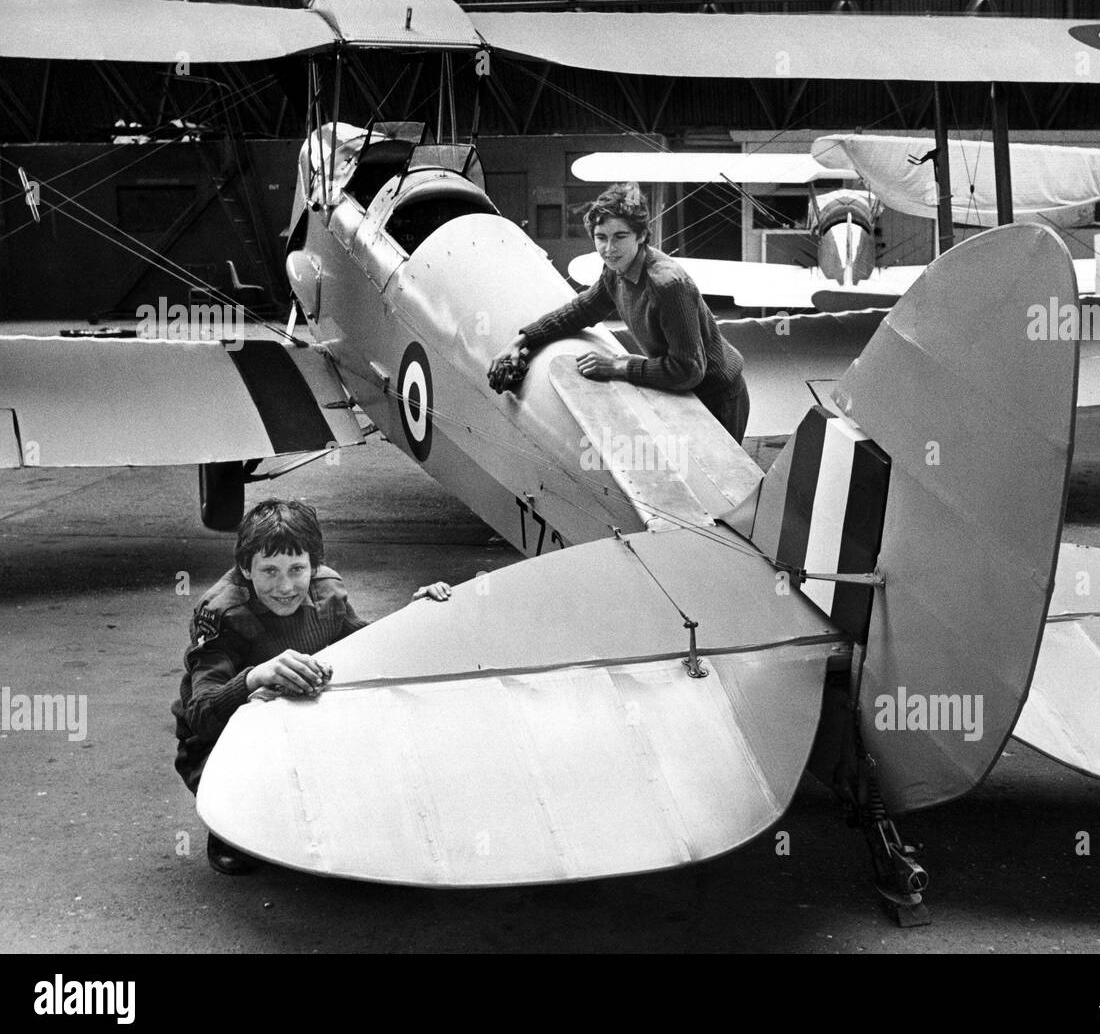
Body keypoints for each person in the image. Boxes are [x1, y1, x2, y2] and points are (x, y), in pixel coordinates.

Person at [171, 498, 451, 875]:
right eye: (269, 570)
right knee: (252, 812)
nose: (285, 586)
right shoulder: (222, 613)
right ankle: (225, 826)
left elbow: (368, 648)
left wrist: (415, 615)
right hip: (224, 739)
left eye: (296, 569)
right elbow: (201, 714)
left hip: (298, 718)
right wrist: (254, 676)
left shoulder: (327, 592)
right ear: (245, 568)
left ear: (313, 566)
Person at [488, 182, 750, 442]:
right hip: (682, 393)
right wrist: (521, 340)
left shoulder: (667, 284)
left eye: (620, 237)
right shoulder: (616, 270)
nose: (609, 249)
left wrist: (617, 365)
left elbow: (688, 370)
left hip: (717, 397)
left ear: (641, 235)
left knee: (717, 482)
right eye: (601, 238)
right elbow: (582, 310)